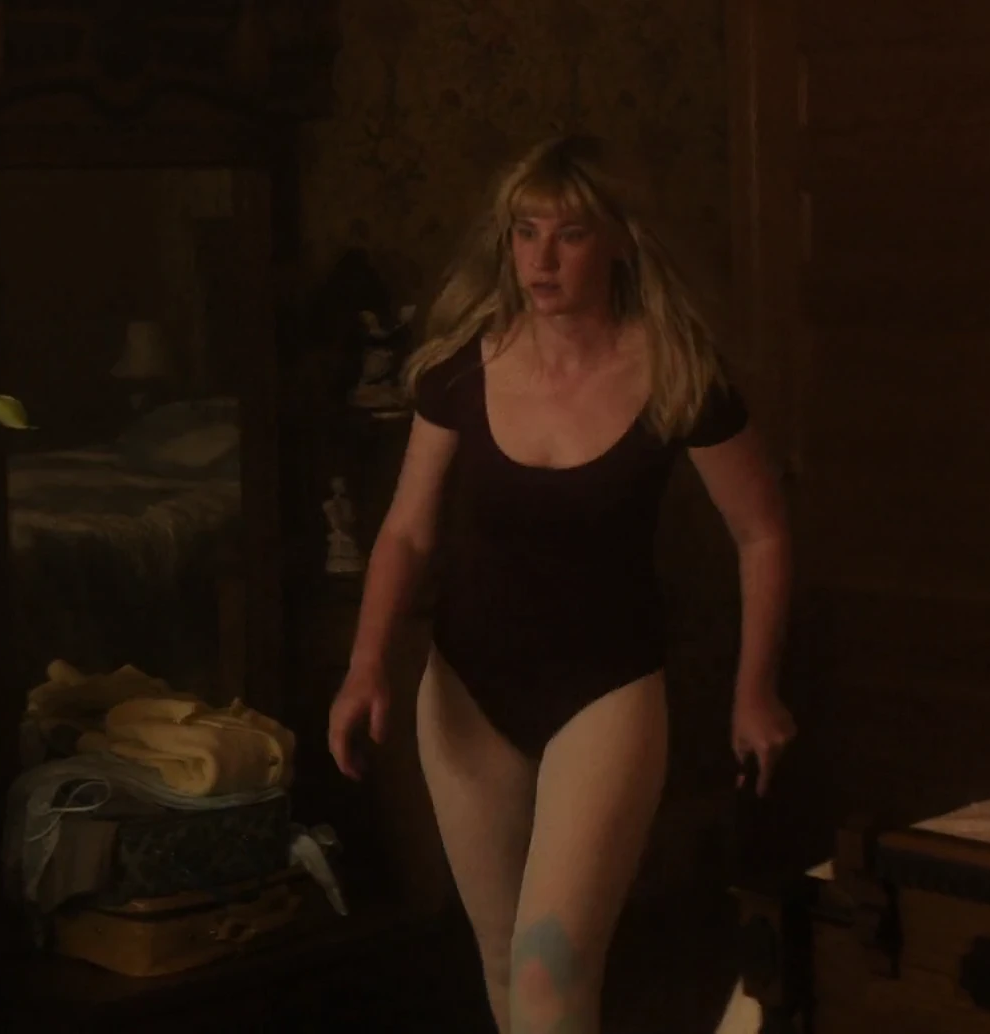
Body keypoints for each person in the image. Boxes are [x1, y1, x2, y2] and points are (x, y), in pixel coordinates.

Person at [326, 135, 796, 1034]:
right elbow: (407, 529)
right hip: (465, 692)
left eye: (569, 234)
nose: (541, 259)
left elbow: (762, 531)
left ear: (618, 241)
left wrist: (756, 690)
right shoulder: (463, 367)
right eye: (524, 231)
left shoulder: (677, 373)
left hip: (605, 694)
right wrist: (366, 665)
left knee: (550, 973)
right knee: (506, 971)